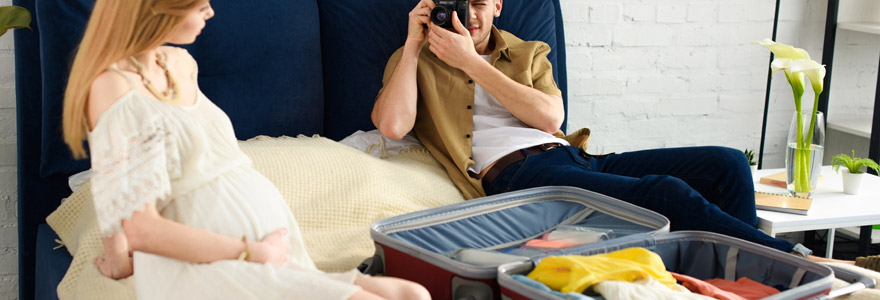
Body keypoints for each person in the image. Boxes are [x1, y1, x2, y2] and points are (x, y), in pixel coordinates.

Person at [372, 0, 817, 259]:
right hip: (519, 178)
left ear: (499, 5)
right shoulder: (418, 60)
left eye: (481, 4)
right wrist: (414, 43)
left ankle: (739, 276)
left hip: (572, 156)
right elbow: (392, 126)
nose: (469, 15)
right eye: (459, 3)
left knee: (728, 163)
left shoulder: (529, 53)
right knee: (666, 193)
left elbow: (550, 119)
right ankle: (792, 262)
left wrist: (471, 62)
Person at [61, 1, 431, 299]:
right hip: (208, 266)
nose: (210, 12)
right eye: (199, 4)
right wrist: (250, 252)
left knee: (412, 293)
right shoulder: (112, 86)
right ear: (158, 9)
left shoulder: (179, 64)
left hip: (266, 251)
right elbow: (137, 221)